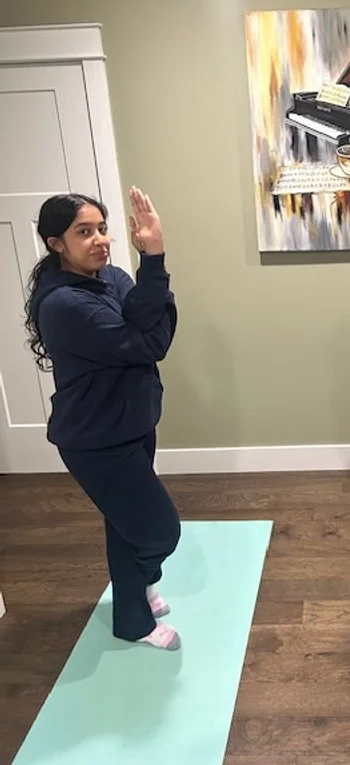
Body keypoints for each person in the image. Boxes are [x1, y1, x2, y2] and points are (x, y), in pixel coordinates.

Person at [25, 187, 182, 651]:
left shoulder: (110, 276)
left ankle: (134, 615)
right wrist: (154, 260)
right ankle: (142, 583)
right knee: (158, 531)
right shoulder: (65, 304)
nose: (100, 240)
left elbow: (147, 319)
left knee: (124, 525)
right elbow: (152, 341)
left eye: (102, 228)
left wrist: (149, 278)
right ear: (56, 243)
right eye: (83, 232)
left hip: (132, 422)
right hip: (98, 439)